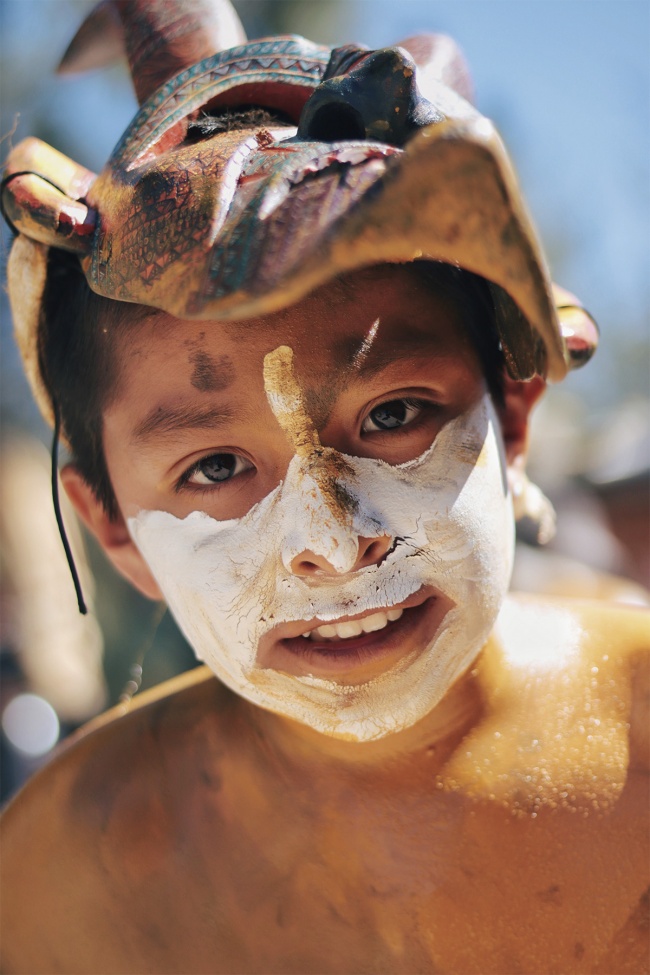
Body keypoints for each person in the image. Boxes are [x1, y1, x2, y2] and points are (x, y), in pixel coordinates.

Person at [1, 2, 647, 973]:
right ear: (116, 530)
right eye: (215, 468)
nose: (336, 545)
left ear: (511, 413)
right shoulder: (66, 868)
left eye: (392, 416)